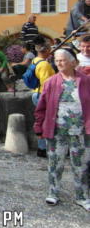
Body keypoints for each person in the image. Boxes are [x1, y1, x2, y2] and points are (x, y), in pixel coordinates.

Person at [34, 49, 90, 211]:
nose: (59, 63)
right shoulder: (51, 81)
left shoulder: (86, 81)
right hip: (57, 130)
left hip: (80, 131)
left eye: (63, 60)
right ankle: (53, 193)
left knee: (81, 165)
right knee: (54, 163)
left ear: (73, 62)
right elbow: (41, 106)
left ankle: (82, 196)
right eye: (57, 60)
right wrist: (39, 127)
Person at [32, 39, 56, 158]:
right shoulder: (44, 64)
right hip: (42, 95)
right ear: (46, 50)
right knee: (44, 121)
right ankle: (42, 148)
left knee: (41, 121)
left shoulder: (35, 60)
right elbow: (46, 83)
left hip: (36, 92)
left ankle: (43, 147)